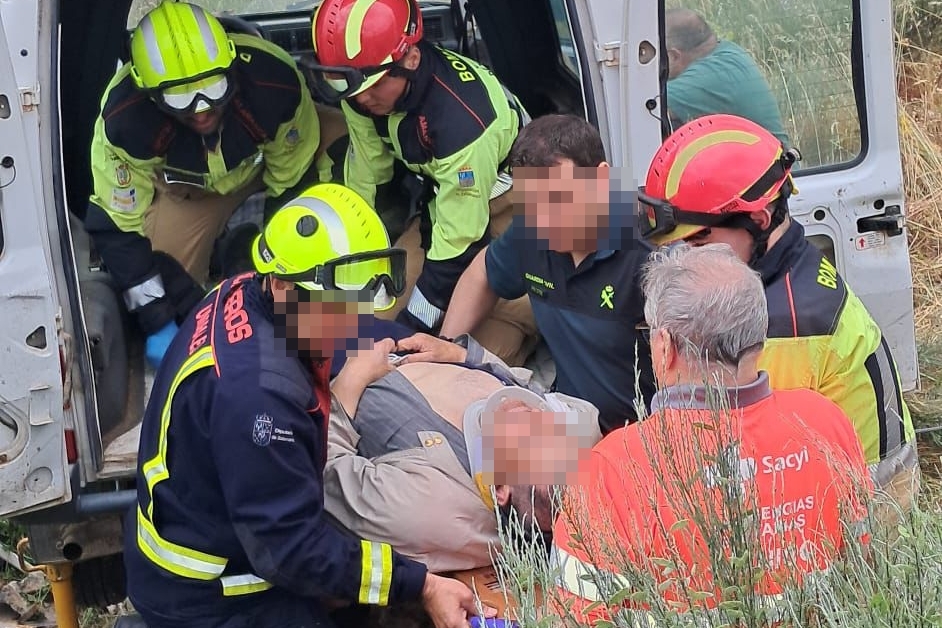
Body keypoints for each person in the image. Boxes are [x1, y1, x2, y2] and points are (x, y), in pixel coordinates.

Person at [123, 183, 483, 628]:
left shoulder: (240, 292)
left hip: (216, 542)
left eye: (356, 305)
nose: (348, 323)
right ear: (280, 285)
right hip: (215, 596)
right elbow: (293, 551)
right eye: (335, 308)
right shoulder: (260, 400)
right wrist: (420, 584)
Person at [551, 243, 873, 625]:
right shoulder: (825, 422)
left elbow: (573, 616)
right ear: (761, 337)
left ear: (665, 347)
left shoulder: (611, 471)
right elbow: (864, 568)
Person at [639, 113, 919, 517]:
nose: (684, 258)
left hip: (867, 511)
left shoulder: (787, 326)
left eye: (699, 239)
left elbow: (736, 447)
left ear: (758, 220)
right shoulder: (784, 275)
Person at [84, 1, 347, 370]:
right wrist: (157, 321)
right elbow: (119, 228)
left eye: (213, 88)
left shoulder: (274, 81)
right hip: (192, 189)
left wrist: (278, 265)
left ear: (231, 68)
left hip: (269, 162)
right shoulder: (124, 121)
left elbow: (292, 180)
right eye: (181, 97)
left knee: (340, 137)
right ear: (150, 93)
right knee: (156, 266)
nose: (201, 109)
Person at [307, 0, 539, 367]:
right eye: (346, 86)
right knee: (371, 315)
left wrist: (413, 325)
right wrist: (338, 249)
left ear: (410, 58)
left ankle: (519, 337)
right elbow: (367, 171)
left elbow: (456, 246)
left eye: (371, 87)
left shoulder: (463, 123)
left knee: (455, 347)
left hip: (514, 204)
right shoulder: (360, 88)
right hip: (442, 203)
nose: (361, 99)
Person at [441, 114, 657, 435]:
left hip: (643, 440)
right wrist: (445, 349)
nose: (543, 221)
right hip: (569, 422)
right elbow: (482, 272)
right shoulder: (533, 230)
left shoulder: (652, 255)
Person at [323, 332, 602, 573]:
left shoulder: (428, 506)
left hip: (330, 373)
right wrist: (462, 354)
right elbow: (540, 392)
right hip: (414, 346)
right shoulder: (581, 434)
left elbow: (324, 475)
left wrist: (351, 378)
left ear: (500, 487)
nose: (539, 416)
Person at [664, 8, 790, 147]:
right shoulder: (726, 51)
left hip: (769, 167)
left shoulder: (710, 76)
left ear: (674, 56)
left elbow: (646, 107)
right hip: (769, 164)